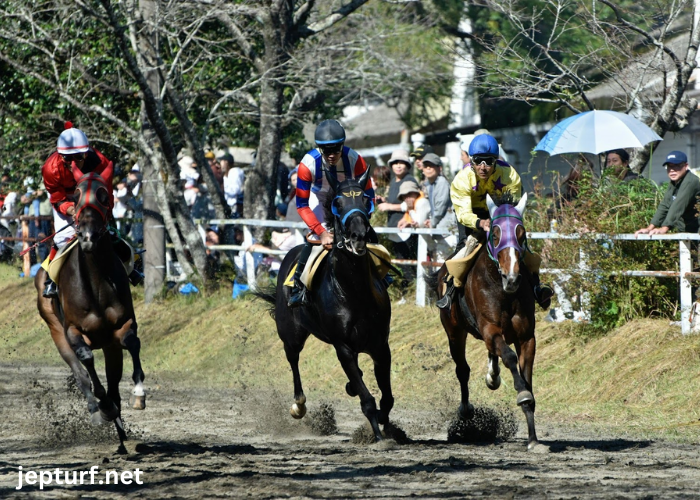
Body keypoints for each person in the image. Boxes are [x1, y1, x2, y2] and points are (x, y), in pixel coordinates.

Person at [437, 133, 553, 310]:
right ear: (471, 160)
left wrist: (502, 224)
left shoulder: (509, 175)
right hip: (472, 216)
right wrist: (480, 223)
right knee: (464, 249)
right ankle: (450, 290)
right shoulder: (461, 179)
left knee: (523, 248)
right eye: (478, 161)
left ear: (496, 160)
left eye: (489, 161)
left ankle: (537, 287)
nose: (483, 167)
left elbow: (512, 208)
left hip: (501, 214)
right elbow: (463, 213)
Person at [287, 119, 374, 307]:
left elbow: (369, 194)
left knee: (367, 236)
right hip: (318, 199)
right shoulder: (307, 165)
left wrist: (364, 219)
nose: (331, 155)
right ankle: (298, 287)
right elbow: (301, 204)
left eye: (336, 149)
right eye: (326, 150)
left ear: (342, 145)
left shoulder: (355, 159)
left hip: (346, 201)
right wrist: (321, 232)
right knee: (315, 244)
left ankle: (382, 277)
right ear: (319, 148)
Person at [41, 123, 115, 297]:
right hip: (67, 200)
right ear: (60, 156)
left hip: (92, 199)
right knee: (61, 237)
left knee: (108, 231)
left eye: (79, 157)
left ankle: (132, 264)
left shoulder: (100, 162)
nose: (73, 163)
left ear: (87, 153)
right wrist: (72, 210)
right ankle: (52, 279)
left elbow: (107, 193)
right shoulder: (50, 169)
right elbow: (57, 199)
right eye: (67, 159)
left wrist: (106, 212)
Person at [635, 151, 700, 236]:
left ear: (686, 166)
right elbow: (665, 204)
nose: (672, 170)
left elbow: (678, 205)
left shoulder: (691, 181)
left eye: (677, 166)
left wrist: (664, 228)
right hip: (686, 230)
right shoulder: (675, 182)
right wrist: (650, 228)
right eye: (669, 166)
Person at [377, 149, 418, 276]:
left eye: (402, 162)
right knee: (401, 263)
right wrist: (384, 200)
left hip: (406, 229)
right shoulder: (394, 181)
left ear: (407, 165)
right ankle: (406, 293)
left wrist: (389, 206)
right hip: (394, 228)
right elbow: (396, 200)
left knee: (409, 264)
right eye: (395, 163)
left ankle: (413, 292)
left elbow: (412, 205)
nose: (398, 166)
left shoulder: (409, 181)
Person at [219, 152, 245, 217]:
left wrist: (222, 188)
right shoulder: (225, 176)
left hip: (234, 206)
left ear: (226, 162)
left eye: (221, 161)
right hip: (228, 206)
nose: (220, 164)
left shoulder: (234, 172)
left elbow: (235, 190)